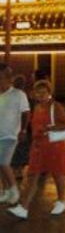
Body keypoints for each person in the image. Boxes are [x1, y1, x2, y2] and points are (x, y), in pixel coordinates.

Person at [8, 80, 65, 219]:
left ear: (50, 93)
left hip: (54, 147)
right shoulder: (37, 107)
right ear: (34, 94)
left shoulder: (56, 107)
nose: (41, 95)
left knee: (57, 174)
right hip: (38, 147)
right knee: (32, 176)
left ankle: (61, 201)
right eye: (38, 93)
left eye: (44, 92)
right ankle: (24, 208)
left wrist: (50, 128)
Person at [0, 64, 30, 206]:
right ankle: (5, 191)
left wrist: (23, 130)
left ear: (7, 78)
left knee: (3, 162)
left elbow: (26, 112)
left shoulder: (18, 94)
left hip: (11, 135)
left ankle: (14, 190)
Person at [10, 74, 32, 187]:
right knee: (21, 148)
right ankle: (18, 169)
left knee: (17, 148)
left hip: (16, 127)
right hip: (20, 127)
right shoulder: (24, 95)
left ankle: (16, 169)